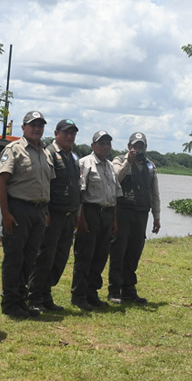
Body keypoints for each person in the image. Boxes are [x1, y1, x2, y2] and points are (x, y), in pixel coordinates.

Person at [0, 110, 54, 318]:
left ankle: (22, 301)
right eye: (33, 125)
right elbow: (1, 182)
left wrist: (45, 212)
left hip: (38, 211)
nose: (37, 129)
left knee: (30, 259)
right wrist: (6, 213)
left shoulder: (45, 152)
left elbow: (46, 184)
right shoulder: (14, 149)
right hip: (18, 209)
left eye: (40, 125)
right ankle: (10, 303)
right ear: (24, 128)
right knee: (14, 257)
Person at [29, 119, 82, 312]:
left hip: (69, 215)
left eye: (73, 133)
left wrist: (77, 212)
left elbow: (76, 186)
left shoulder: (74, 157)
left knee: (60, 258)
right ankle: (34, 297)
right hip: (54, 214)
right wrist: (46, 212)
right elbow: (46, 184)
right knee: (45, 257)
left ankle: (46, 294)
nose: (69, 136)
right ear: (56, 133)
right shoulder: (49, 153)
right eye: (66, 132)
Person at [70, 130, 120, 311]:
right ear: (93, 146)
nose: (105, 146)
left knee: (100, 256)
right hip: (90, 212)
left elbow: (114, 196)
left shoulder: (110, 166)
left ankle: (92, 293)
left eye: (108, 143)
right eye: (101, 143)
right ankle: (79, 295)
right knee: (85, 256)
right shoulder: (84, 163)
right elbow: (80, 195)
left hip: (106, 214)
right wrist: (80, 219)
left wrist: (114, 220)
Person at [109, 132, 161, 305]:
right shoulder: (118, 160)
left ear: (145, 147)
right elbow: (115, 178)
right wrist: (128, 162)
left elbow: (154, 193)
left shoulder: (150, 166)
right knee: (119, 251)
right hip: (123, 212)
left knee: (134, 252)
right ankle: (114, 290)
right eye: (135, 145)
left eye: (141, 146)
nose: (138, 149)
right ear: (129, 146)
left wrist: (157, 217)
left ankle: (129, 289)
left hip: (141, 213)